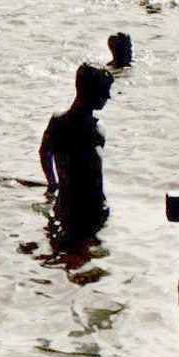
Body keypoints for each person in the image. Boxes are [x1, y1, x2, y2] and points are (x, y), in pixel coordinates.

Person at [39, 63, 115, 238]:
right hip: (91, 210)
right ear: (93, 92)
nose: (108, 97)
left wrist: (52, 183)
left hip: (64, 204)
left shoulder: (57, 121)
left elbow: (44, 153)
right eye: (105, 91)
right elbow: (94, 177)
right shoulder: (97, 129)